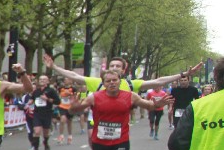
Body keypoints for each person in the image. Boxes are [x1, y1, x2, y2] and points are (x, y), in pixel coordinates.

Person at [44, 53, 204, 96]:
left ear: (123, 70)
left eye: (117, 66)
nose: (114, 68)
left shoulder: (130, 84)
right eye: (112, 65)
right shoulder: (97, 82)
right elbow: (74, 76)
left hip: (121, 132)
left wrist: (183, 74)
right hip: (98, 127)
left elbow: (158, 81)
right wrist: (54, 67)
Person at [27, 74, 60, 150]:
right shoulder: (36, 91)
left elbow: (58, 101)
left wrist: (47, 99)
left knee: (46, 133)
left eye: (44, 79)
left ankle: (45, 142)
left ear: (47, 81)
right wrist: (30, 102)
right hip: (37, 114)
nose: (42, 80)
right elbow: (32, 99)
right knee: (37, 131)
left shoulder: (51, 91)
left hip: (47, 114)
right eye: (40, 79)